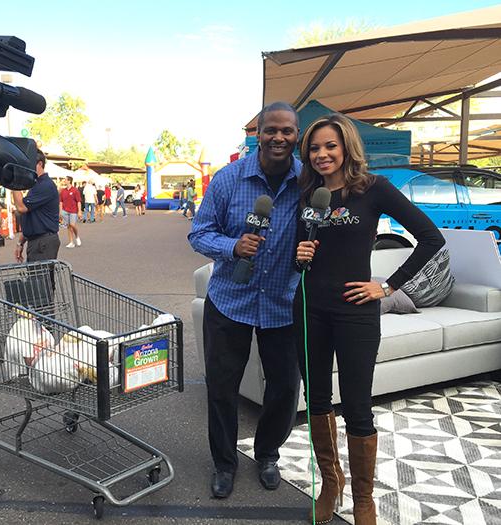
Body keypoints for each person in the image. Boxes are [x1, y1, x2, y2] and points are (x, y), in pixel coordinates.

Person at [294, 114, 444, 524]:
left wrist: (388, 286)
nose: (322, 154)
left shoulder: (373, 189)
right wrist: (298, 254)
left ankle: (364, 498)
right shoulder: (307, 192)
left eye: (330, 146)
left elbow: (432, 238)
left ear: (346, 148)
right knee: (317, 400)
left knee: (358, 407)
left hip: (356, 313)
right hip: (309, 307)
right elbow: (297, 247)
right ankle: (331, 481)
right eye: (314, 148)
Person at [188, 102, 303, 499]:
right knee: (222, 387)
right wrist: (233, 246)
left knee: (286, 387)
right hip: (229, 300)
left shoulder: (308, 181)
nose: (278, 138)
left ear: (296, 135)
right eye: (271, 130)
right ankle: (224, 463)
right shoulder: (228, 179)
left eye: (287, 131)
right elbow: (198, 233)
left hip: (283, 302)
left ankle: (268, 452)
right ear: (259, 134)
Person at [12, 150, 61, 263]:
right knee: (38, 279)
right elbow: (32, 218)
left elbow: (21, 207)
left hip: (43, 242)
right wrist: (20, 243)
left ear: (39, 164)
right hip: (38, 241)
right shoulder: (37, 185)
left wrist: (14, 181)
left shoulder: (45, 185)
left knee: (39, 280)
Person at [60, 175, 83, 248]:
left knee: (72, 225)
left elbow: (78, 201)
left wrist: (79, 211)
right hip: (65, 210)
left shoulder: (75, 190)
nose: (64, 181)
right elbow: (61, 202)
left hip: (73, 210)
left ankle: (77, 236)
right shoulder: (63, 191)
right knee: (69, 226)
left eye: (66, 180)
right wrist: (60, 211)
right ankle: (71, 242)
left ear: (69, 181)